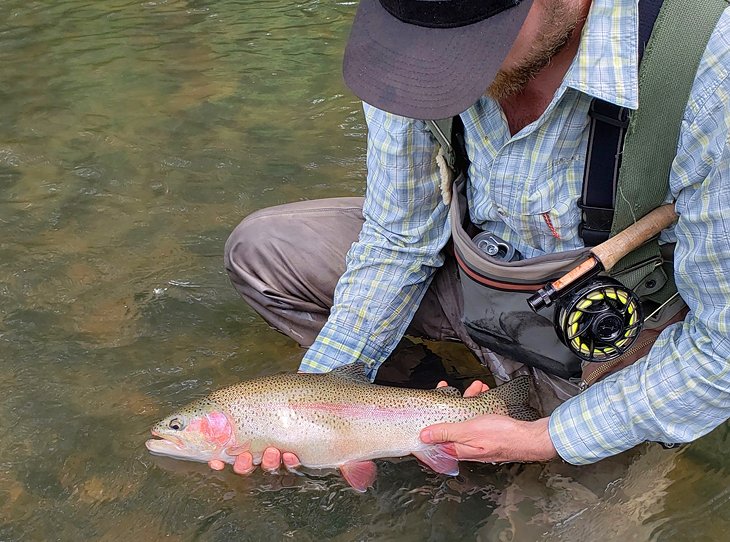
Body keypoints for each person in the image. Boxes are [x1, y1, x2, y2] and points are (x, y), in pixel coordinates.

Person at [216, 0, 730, 476]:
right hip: (473, 277)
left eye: (475, 38)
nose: (441, 66)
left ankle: (516, 436)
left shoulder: (709, 65)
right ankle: (425, 412)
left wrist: (548, 439)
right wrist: (317, 404)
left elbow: (721, 349)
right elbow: (397, 239)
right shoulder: (417, 42)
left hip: (612, 341)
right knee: (266, 249)